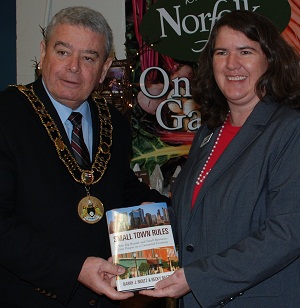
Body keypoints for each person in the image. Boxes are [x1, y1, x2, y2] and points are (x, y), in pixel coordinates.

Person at [0, 6, 169, 308]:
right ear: (43, 53)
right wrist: (75, 269)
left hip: (104, 298)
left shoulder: (113, 122)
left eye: (89, 57)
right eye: (63, 52)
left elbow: (119, 186)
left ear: (104, 69)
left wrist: (162, 209)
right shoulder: (7, 114)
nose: (74, 67)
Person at [140, 10, 300, 307]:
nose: (231, 64)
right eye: (221, 52)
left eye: (246, 51)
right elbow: (200, 219)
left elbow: (288, 232)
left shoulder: (291, 129)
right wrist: (155, 224)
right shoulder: (209, 131)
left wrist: (198, 278)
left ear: (271, 61)